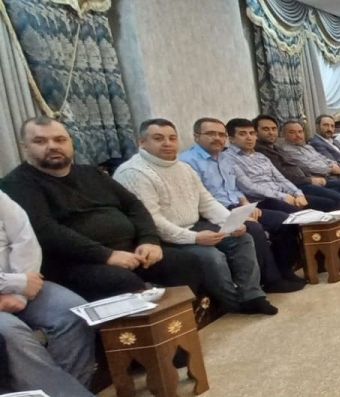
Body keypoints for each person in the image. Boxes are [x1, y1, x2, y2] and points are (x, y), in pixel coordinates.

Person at [1, 118, 204, 302]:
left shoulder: (91, 173)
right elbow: (45, 231)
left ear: (71, 142)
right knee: (121, 281)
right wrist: (106, 255)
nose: (52, 146)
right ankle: (140, 332)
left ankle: (182, 323)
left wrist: (149, 240)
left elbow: (133, 205)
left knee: (184, 262)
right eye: (40, 141)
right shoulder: (17, 183)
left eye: (60, 140)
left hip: (129, 250)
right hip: (75, 261)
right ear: (25, 147)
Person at [0, 191, 134, 397]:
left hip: (23, 282)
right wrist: (15, 284)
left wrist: (20, 290)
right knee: (11, 333)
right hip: (15, 284)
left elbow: (24, 239)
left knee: (73, 312)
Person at [113, 119, 277, 315]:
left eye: (172, 138)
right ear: (142, 142)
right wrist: (195, 238)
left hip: (193, 225)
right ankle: (233, 303)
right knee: (211, 256)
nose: (167, 143)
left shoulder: (184, 168)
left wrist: (231, 222)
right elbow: (151, 222)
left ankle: (252, 296)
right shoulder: (134, 172)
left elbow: (206, 202)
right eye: (158, 138)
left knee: (243, 238)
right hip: (159, 238)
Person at [180, 118, 306, 293]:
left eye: (221, 134)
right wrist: (240, 213)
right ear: (196, 137)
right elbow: (201, 199)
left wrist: (246, 205)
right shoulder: (187, 162)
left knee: (285, 220)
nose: (217, 138)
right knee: (254, 228)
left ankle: (285, 269)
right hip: (213, 211)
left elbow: (234, 188)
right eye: (210, 133)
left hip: (237, 205)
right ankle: (271, 280)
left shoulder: (224, 158)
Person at [277, 120, 340, 228]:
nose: (298, 135)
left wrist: (333, 164)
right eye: (292, 132)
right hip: (320, 178)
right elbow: (308, 167)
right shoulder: (287, 150)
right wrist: (330, 169)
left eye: (300, 132)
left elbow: (322, 157)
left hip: (331, 174)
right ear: (283, 134)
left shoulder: (306, 146)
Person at [253, 115, 340, 213]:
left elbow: (296, 166)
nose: (271, 132)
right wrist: (309, 180)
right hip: (294, 186)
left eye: (273, 129)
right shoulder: (260, 152)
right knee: (334, 199)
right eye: (266, 129)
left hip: (303, 181)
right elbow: (282, 175)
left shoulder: (276, 147)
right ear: (256, 132)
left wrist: (311, 177)